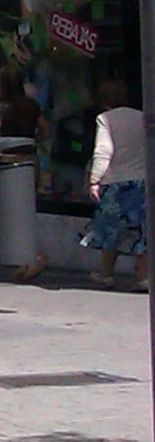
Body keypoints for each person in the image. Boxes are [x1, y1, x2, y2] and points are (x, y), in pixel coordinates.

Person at [84, 79, 149, 292]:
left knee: (110, 228)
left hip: (114, 183)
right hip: (141, 181)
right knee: (140, 229)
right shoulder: (141, 117)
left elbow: (104, 151)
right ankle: (142, 276)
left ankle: (106, 275)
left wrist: (94, 179)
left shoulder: (105, 119)